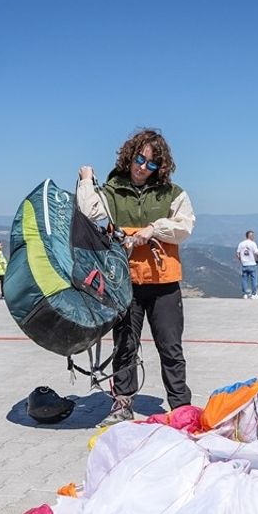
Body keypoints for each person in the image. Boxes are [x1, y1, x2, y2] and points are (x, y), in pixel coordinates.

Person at [76, 128, 195, 423]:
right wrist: (86, 180)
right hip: (125, 282)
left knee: (171, 347)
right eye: (140, 159)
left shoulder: (173, 193)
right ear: (130, 155)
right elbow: (87, 211)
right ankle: (122, 403)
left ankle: (181, 407)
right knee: (125, 345)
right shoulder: (112, 191)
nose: (143, 167)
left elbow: (184, 227)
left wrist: (154, 229)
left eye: (152, 164)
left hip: (164, 283)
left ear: (160, 167)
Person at [236, 230, 258, 298]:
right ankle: (254, 294)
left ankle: (244, 294)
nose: (254, 237)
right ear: (251, 236)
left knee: (244, 279)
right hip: (252, 263)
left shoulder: (241, 244)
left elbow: (237, 254)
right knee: (253, 279)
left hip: (244, 264)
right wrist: (257, 260)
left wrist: (241, 261)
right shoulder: (253, 243)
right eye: (253, 235)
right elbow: (257, 253)